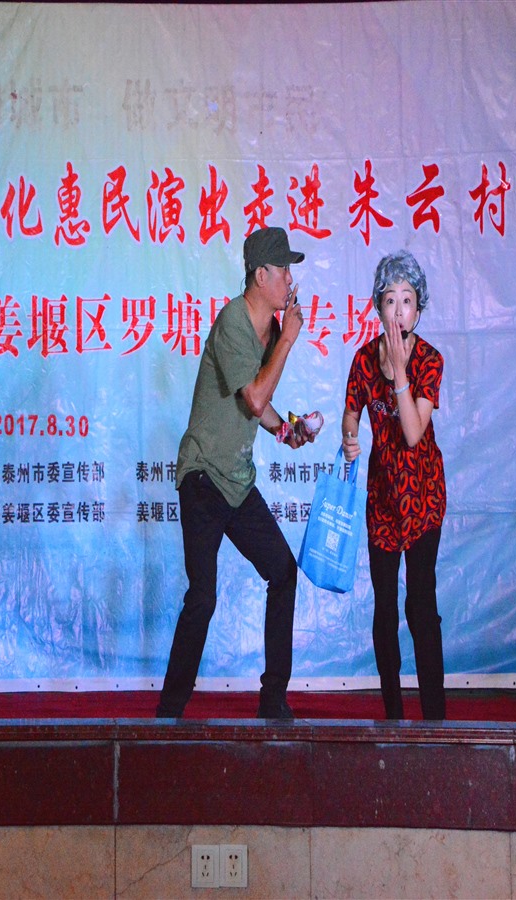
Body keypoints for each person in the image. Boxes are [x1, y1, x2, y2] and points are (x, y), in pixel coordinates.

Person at [156, 226, 315, 720]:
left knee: (283, 572)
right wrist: (289, 339)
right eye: (283, 269)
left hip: (237, 481)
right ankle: (168, 714)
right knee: (203, 597)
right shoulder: (232, 321)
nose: (290, 279)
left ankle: (273, 700)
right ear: (261, 275)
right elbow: (255, 396)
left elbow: (257, 408)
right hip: (203, 477)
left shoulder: (268, 330)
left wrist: (288, 431)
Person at [341, 250, 447, 720]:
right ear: (378, 306)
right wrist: (349, 437)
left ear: (418, 309)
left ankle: (435, 717)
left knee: (419, 604)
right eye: (390, 300)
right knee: (384, 608)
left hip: (423, 498)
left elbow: (412, 432)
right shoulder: (364, 360)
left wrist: (401, 371)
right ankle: (394, 716)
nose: (399, 310)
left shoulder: (429, 361)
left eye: (407, 300)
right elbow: (350, 412)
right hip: (383, 501)